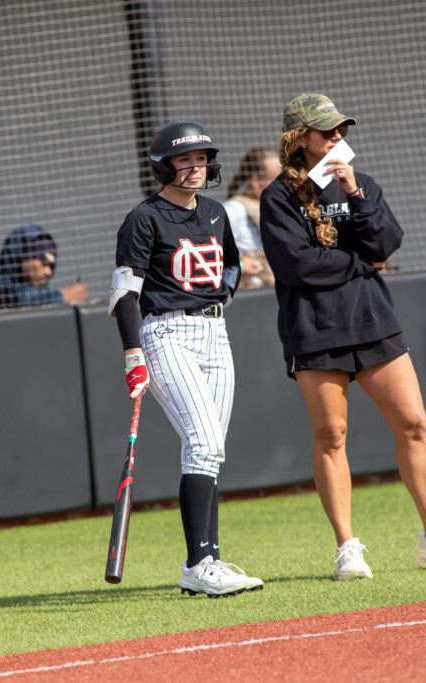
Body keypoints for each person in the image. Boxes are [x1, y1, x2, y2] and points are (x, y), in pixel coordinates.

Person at [260, 93, 426, 580]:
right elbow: (296, 265)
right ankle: (348, 548)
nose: (338, 137)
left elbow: (387, 242)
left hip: (374, 320)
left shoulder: (360, 183)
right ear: (299, 139)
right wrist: (362, 263)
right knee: (332, 435)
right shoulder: (278, 195)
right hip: (315, 328)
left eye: (341, 129)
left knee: (414, 423)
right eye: (327, 131)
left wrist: (356, 197)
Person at [109, 121, 263, 598]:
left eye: (201, 159)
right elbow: (123, 293)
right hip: (166, 332)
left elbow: (232, 263)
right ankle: (198, 563)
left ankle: (208, 560)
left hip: (215, 330)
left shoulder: (216, 212)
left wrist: (223, 296)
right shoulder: (143, 218)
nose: (195, 168)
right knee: (203, 441)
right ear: (163, 165)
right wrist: (133, 354)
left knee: (209, 451)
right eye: (184, 159)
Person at [0, 225, 89, 311]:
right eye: (43, 263)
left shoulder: (42, 294)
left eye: (51, 266)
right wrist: (63, 296)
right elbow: (20, 299)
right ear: (22, 258)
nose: (48, 272)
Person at [222, 148, 283, 289]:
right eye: (277, 180)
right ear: (255, 182)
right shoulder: (234, 209)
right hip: (247, 293)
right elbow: (211, 251)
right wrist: (241, 264)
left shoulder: (277, 208)